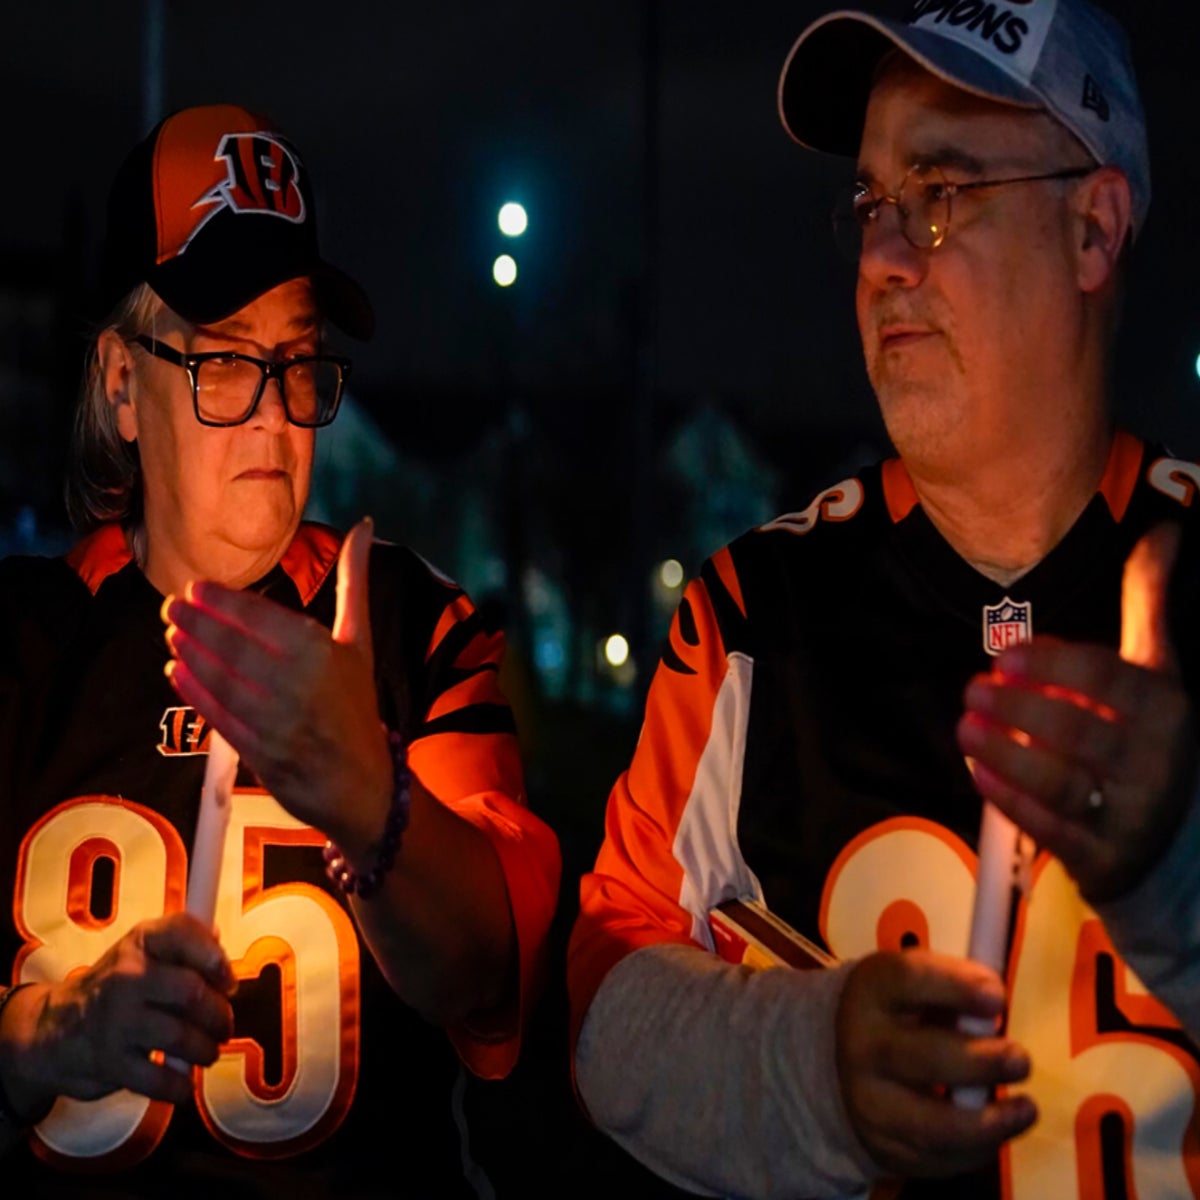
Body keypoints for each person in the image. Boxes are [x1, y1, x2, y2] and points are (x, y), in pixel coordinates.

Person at [568, 2, 1200, 1196]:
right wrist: (817, 1069)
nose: (882, 259)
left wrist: (1173, 866)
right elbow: (607, 996)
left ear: (1094, 229)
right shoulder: (757, 610)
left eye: (944, 194)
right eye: (872, 203)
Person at [0, 104, 561, 1197]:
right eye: (222, 360)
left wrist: (371, 800)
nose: (273, 416)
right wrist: (49, 1034)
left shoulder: (408, 628)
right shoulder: (23, 651)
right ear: (120, 383)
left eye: (297, 361)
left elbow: (491, 972)